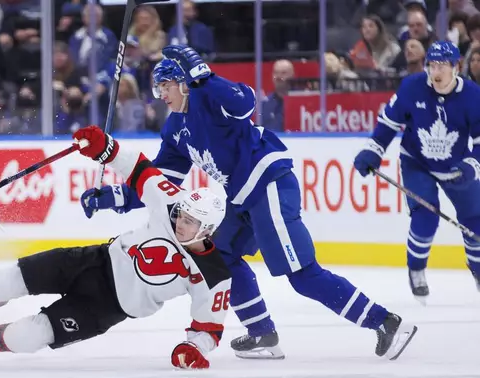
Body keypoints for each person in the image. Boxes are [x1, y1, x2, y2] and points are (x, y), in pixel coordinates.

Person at [80, 44, 418, 361]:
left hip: (268, 184)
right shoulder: (175, 129)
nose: (162, 94)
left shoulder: (207, 98)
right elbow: (159, 180)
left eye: (166, 85)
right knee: (219, 255)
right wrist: (113, 196)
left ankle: (386, 323)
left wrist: (206, 77)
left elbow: (245, 102)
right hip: (242, 198)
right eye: (158, 88)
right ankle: (261, 333)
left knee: (303, 275)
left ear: (184, 83)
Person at [0, 125, 231, 369]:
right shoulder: (172, 201)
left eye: (190, 222)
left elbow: (209, 327)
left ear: (207, 230)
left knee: (28, 337)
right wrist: (105, 148)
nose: (180, 222)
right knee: (6, 280)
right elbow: (139, 168)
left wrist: (193, 348)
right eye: (182, 214)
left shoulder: (214, 274)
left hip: (107, 308)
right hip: (93, 261)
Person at [354, 41, 480, 304]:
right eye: (432, 65)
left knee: (474, 222)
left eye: (442, 65)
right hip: (417, 163)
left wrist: (471, 165)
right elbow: (389, 123)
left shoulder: (472, 95)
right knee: (426, 218)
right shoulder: (412, 87)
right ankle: (417, 268)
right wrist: (373, 151)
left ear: (456, 67)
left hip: (456, 167)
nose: (436, 71)